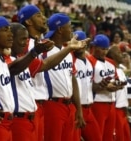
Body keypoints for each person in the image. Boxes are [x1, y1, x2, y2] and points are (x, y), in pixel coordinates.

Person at [9, 23, 89, 141]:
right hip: (30, 112)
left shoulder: (25, 59)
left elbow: (45, 65)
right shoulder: (10, 59)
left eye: (26, 39)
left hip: (36, 112)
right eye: (22, 39)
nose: (25, 43)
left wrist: (68, 49)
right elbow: (15, 68)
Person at [0, 16, 54, 141]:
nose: (10, 35)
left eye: (9, 30)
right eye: (5, 30)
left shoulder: (1, 57)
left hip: (9, 121)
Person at [43, 13, 85, 141]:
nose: (71, 30)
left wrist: (79, 109)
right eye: (69, 26)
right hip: (52, 105)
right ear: (60, 29)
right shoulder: (44, 48)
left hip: (69, 105)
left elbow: (73, 79)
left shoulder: (67, 51)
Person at [17, 5, 49, 141]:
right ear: (28, 22)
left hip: (39, 104)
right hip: (29, 103)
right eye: (38, 15)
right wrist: (67, 49)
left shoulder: (39, 42)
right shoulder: (25, 45)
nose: (44, 18)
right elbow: (40, 67)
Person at [87, 34, 121, 141]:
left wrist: (116, 85)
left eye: (106, 49)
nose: (105, 52)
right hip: (97, 103)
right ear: (95, 47)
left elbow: (116, 79)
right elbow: (87, 84)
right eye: (102, 49)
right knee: (98, 136)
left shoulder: (111, 62)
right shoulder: (89, 61)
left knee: (109, 137)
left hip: (111, 103)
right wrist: (105, 87)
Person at [73, 30, 101, 141]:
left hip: (89, 108)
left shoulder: (89, 62)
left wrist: (103, 86)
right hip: (76, 109)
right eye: (76, 41)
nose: (79, 44)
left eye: (81, 41)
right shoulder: (70, 60)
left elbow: (90, 85)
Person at [106, 45, 131, 141]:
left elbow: (123, 93)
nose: (121, 55)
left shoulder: (120, 70)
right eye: (118, 53)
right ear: (112, 56)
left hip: (123, 110)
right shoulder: (109, 71)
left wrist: (126, 110)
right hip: (115, 110)